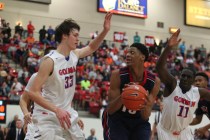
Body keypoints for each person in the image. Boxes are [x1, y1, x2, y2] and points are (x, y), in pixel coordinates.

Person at [26, 12, 112, 140]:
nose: (78, 39)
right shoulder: (50, 61)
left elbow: (91, 47)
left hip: (66, 113)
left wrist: (105, 30)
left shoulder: (74, 55)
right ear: (65, 36)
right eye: (75, 35)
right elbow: (33, 92)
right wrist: (56, 110)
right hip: (48, 115)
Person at [156, 29, 210, 140]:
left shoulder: (198, 92)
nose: (185, 78)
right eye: (183, 75)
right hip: (167, 132)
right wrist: (168, 47)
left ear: (193, 80)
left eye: (188, 77)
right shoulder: (173, 85)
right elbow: (160, 68)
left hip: (184, 132)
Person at [102, 43, 161, 140]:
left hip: (139, 121)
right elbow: (111, 109)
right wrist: (124, 95)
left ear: (142, 57)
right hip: (117, 118)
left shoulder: (154, 81)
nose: (128, 54)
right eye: (127, 52)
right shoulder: (117, 75)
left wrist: (145, 106)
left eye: (132, 52)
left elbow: (145, 116)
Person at [190, 72, 210, 139]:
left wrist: (204, 128)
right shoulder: (198, 100)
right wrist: (183, 122)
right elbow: (198, 119)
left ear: (206, 83)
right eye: (195, 81)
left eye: (200, 80)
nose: (197, 83)